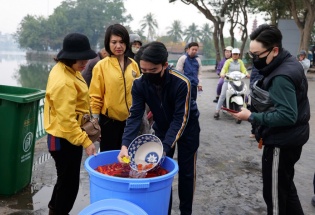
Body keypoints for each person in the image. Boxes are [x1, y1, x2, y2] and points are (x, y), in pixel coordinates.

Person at [232, 24, 310, 215]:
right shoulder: (290, 62)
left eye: (257, 55)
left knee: (274, 195)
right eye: (251, 54)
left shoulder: (281, 76)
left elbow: (287, 115)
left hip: (281, 143)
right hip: (293, 137)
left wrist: (251, 116)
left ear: (274, 50)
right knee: (286, 188)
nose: (254, 59)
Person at [117, 41, 200, 215]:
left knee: (186, 173)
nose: (147, 74)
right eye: (143, 70)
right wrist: (125, 144)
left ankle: (186, 212)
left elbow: (180, 119)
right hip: (162, 127)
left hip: (187, 129)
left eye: (152, 70)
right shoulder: (139, 84)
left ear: (164, 65)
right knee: (160, 173)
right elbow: (134, 116)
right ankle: (164, 210)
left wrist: (165, 147)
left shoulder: (181, 83)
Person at [44, 33, 98, 215]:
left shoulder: (67, 70)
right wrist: (86, 142)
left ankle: (54, 209)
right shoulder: (64, 82)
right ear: (69, 56)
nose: (85, 63)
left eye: (86, 59)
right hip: (62, 139)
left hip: (67, 135)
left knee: (64, 180)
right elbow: (67, 121)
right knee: (69, 185)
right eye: (81, 59)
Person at [89, 24, 141, 152]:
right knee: (110, 161)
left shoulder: (133, 64)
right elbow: (95, 96)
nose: (118, 46)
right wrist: (95, 123)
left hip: (131, 121)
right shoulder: (101, 66)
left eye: (122, 42)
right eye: (114, 42)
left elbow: (140, 92)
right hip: (109, 122)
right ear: (108, 43)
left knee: (129, 158)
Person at [213, 48, 249, 119]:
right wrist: (222, 74)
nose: (235, 56)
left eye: (236, 54)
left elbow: (244, 70)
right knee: (222, 95)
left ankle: (245, 110)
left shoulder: (240, 62)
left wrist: (247, 74)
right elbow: (224, 69)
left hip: (238, 81)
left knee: (244, 94)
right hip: (228, 81)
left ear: (239, 55)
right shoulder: (228, 61)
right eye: (233, 54)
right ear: (231, 54)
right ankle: (217, 111)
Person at [248, 65, 263, 138]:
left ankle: (261, 131)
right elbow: (253, 76)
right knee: (253, 109)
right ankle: (254, 130)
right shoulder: (256, 63)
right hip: (254, 89)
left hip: (262, 89)